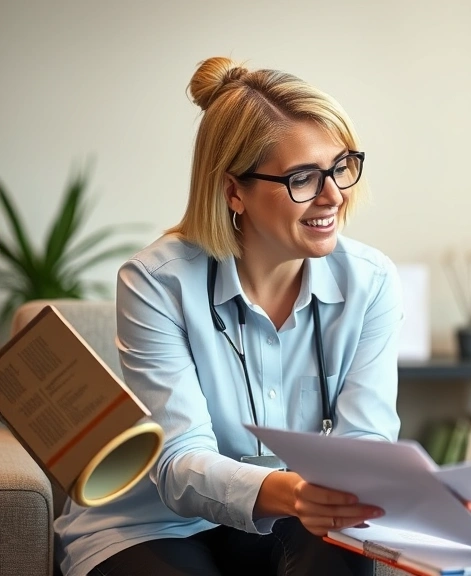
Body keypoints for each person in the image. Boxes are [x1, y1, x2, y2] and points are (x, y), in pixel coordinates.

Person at [54, 56, 403, 576]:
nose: (334, 195)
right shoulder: (156, 281)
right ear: (233, 190)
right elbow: (178, 465)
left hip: (297, 511)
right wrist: (292, 491)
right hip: (152, 523)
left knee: (336, 553)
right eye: (303, 178)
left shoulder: (370, 283)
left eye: (341, 166)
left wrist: (333, 492)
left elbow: (366, 445)